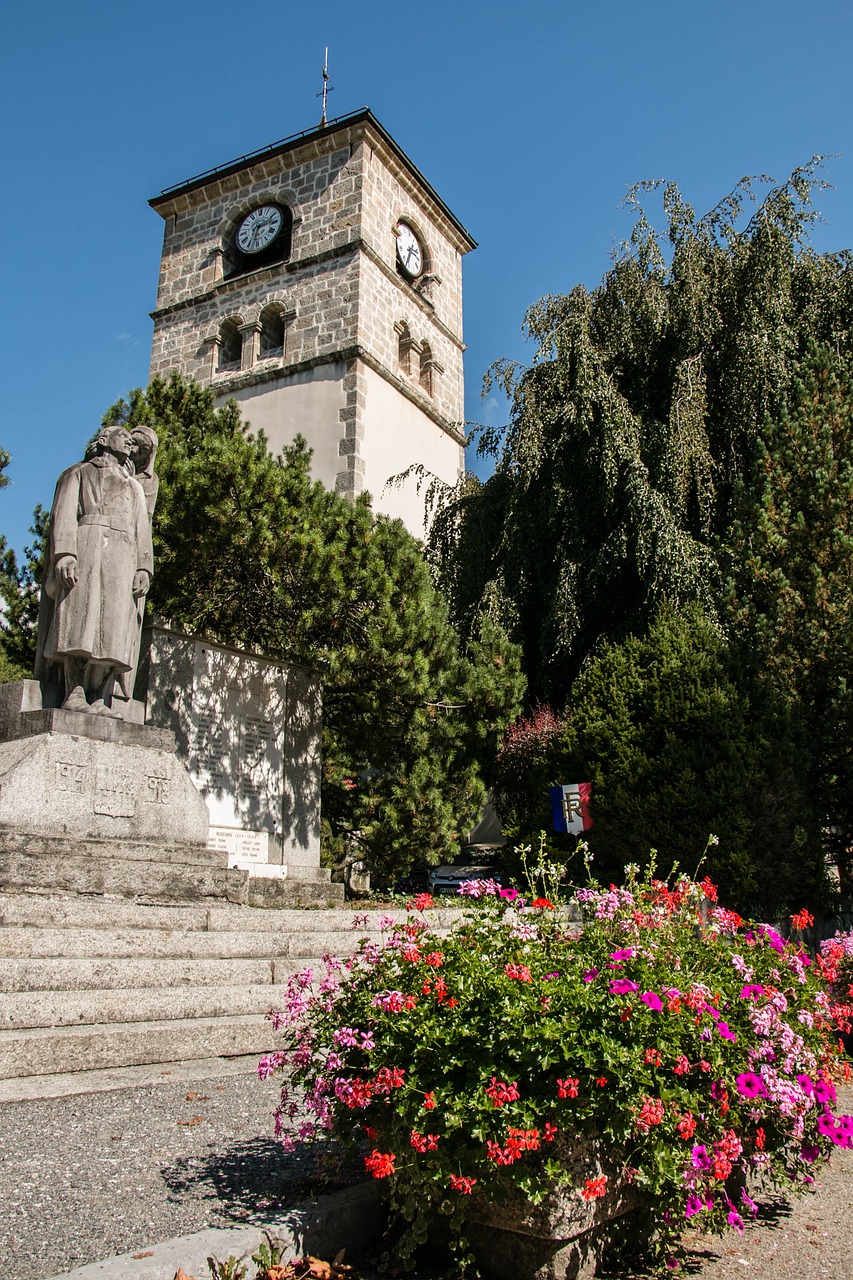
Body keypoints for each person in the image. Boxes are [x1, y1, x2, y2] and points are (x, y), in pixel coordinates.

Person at [37, 425, 153, 716]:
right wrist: (64, 554)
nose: (128, 439)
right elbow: (62, 517)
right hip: (88, 547)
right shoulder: (78, 473)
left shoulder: (134, 486)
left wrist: (144, 568)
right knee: (80, 625)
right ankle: (74, 692)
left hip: (123, 557)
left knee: (114, 630)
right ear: (103, 441)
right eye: (121, 434)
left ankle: (101, 698)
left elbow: (143, 531)